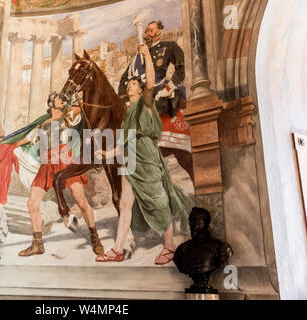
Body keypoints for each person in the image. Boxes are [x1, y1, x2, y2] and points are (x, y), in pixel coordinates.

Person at [95, 43, 193, 265]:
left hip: (147, 158)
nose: (129, 85)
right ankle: (117, 249)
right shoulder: (128, 113)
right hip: (129, 159)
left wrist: (147, 55)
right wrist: (108, 153)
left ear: (139, 89)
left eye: (133, 83)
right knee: (125, 204)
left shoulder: (146, 104)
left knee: (157, 201)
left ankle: (169, 246)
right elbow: (125, 141)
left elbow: (150, 80)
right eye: (128, 83)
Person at [13, 92, 104, 257]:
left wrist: (80, 96)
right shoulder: (43, 125)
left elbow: (80, 107)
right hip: (47, 164)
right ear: (50, 103)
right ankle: (37, 244)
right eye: (58, 98)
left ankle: (95, 237)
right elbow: (28, 139)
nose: (62, 100)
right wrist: (7, 147)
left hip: (64, 159)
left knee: (82, 202)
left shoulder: (67, 117)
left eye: (63, 99)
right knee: (32, 204)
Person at [118, 20, 193, 180]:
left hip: (159, 89)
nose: (148, 33)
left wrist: (169, 87)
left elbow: (181, 68)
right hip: (139, 93)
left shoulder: (169, 46)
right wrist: (125, 100)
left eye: (151, 30)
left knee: (157, 101)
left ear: (159, 32)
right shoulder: (136, 57)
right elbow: (124, 79)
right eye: (146, 31)